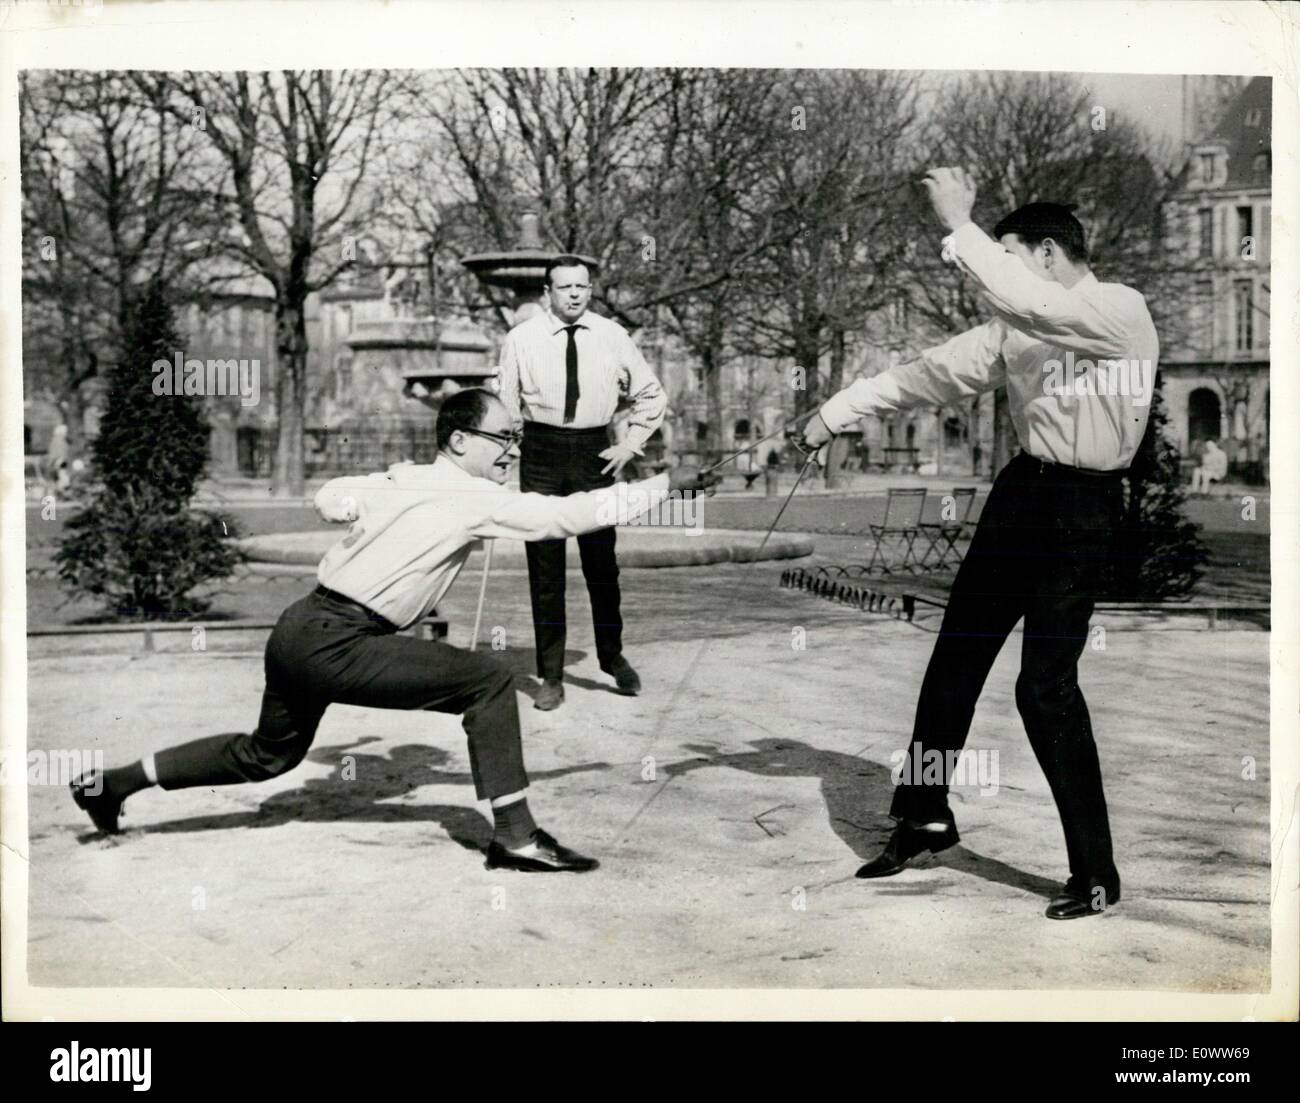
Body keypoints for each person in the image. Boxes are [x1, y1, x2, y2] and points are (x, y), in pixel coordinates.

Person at [71, 389, 714, 873]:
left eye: (516, 438)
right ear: (460, 441)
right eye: (502, 438)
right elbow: (568, 516)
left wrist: (373, 496)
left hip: (297, 628)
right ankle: (515, 837)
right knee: (490, 682)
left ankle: (114, 783)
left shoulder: (403, 479)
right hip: (341, 640)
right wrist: (667, 487)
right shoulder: (470, 496)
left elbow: (327, 498)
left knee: (268, 755)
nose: (513, 450)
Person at [802, 172, 1159, 920]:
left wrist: (960, 226)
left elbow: (1034, 302)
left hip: (1082, 507)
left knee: (1044, 688)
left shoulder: (1118, 311)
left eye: (1008, 254)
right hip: (1022, 492)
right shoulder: (1015, 327)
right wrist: (836, 411)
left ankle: (1096, 872)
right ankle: (925, 813)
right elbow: (926, 375)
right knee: (955, 654)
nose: (989, 273)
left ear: (1050, 252)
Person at [497, 256, 668, 711]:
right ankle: (551, 676)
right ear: (547, 292)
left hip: (595, 452)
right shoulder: (521, 339)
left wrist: (630, 445)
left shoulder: (612, 336)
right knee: (546, 571)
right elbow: (505, 405)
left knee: (601, 566)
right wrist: (504, 455)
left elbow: (651, 393)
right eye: (564, 287)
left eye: (582, 286)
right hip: (542, 453)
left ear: (590, 290)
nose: (574, 294)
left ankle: (612, 657)